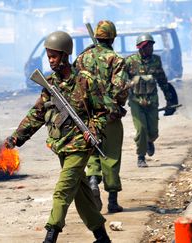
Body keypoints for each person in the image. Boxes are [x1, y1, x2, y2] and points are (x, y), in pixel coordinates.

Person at [5, 30, 111, 243]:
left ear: (65, 55)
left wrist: (94, 131)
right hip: (62, 145)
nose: (50, 60)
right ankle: (101, 237)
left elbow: (102, 111)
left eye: (54, 56)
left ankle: (51, 236)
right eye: (48, 56)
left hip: (80, 146)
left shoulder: (84, 80)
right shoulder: (50, 84)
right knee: (81, 193)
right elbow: (38, 113)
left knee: (62, 191)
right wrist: (17, 137)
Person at [74, 20, 128, 213]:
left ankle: (94, 182)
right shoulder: (117, 60)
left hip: (87, 116)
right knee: (111, 157)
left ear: (96, 36)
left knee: (93, 153)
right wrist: (115, 105)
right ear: (112, 37)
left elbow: (74, 84)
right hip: (109, 116)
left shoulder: (82, 58)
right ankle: (112, 201)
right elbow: (121, 90)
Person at [125, 33, 177, 168]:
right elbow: (122, 82)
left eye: (152, 46)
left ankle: (150, 141)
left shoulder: (156, 61)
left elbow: (162, 80)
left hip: (152, 101)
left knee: (153, 131)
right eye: (148, 46)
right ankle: (141, 156)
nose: (151, 49)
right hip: (136, 102)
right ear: (141, 48)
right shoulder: (130, 61)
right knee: (141, 129)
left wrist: (169, 99)